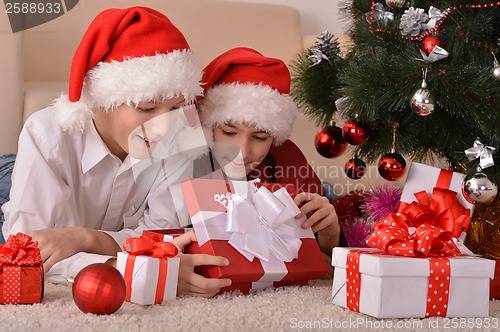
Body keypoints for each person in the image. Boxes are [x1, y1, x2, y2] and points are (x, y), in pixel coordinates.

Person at [0, 6, 231, 294]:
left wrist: (81, 238)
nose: (162, 127)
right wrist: (128, 267)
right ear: (100, 99)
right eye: (146, 108)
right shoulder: (47, 136)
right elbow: (28, 252)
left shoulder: (180, 136)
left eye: (175, 108)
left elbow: (158, 238)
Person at [172, 48, 341, 282]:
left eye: (260, 138)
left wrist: (330, 233)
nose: (242, 152)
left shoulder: (286, 162)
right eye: (229, 132)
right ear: (208, 126)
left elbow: (323, 258)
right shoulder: (183, 162)